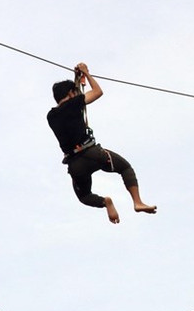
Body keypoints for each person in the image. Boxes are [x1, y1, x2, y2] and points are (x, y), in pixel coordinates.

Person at [47, 62, 156, 223]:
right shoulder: (75, 103)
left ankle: (106, 202)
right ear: (71, 93)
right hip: (92, 154)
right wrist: (86, 73)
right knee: (125, 168)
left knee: (84, 196)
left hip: (75, 164)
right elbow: (97, 92)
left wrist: (77, 80)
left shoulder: (51, 116)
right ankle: (137, 202)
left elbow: (68, 106)